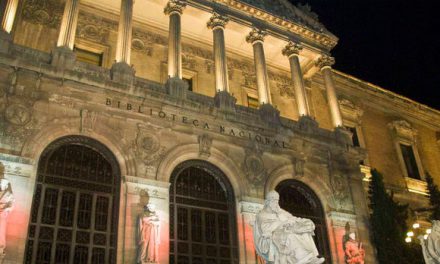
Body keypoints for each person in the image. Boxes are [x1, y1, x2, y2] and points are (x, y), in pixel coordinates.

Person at [254, 190, 325, 264]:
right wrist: (282, 223)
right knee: (290, 235)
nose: (275, 203)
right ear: (268, 201)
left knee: (303, 233)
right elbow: (265, 229)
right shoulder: (262, 214)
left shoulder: (280, 211)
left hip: (285, 231)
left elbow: (292, 218)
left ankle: (311, 258)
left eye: (276, 200)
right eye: (273, 200)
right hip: (273, 235)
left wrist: (303, 221)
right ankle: (302, 259)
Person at [0, 174, 14, 256]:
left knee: (1, 230)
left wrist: (4, 209)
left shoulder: (9, 194)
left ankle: (1, 246)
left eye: (3, 184)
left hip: (2, 215)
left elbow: (10, 205)